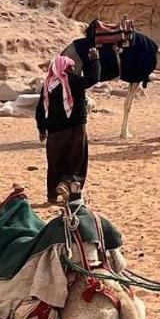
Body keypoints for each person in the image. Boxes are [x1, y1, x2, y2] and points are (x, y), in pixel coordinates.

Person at [35, 46, 101, 205]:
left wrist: (42, 129)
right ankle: (66, 185)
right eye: (70, 67)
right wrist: (94, 61)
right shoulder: (73, 81)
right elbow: (93, 78)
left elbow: (40, 109)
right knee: (76, 160)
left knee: (55, 162)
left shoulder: (47, 85)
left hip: (54, 133)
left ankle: (52, 195)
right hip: (75, 129)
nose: (72, 69)